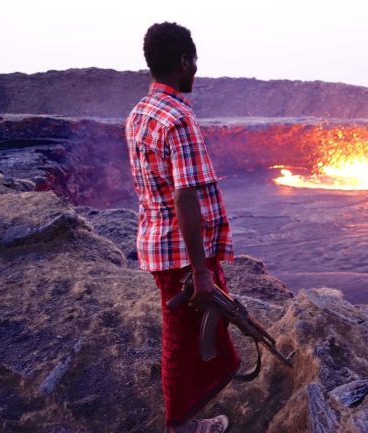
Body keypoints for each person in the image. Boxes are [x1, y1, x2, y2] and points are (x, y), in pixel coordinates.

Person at [125, 22, 240, 433]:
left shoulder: (139, 113)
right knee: (180, 336)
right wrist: (202, 269)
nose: (197, 68)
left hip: (160, 245)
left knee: (198, 329)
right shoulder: (177, 119)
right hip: (181, 253)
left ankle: (192, 411)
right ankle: (180, 425)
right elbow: (184, 197)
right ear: (183, 61)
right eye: (194, 60)